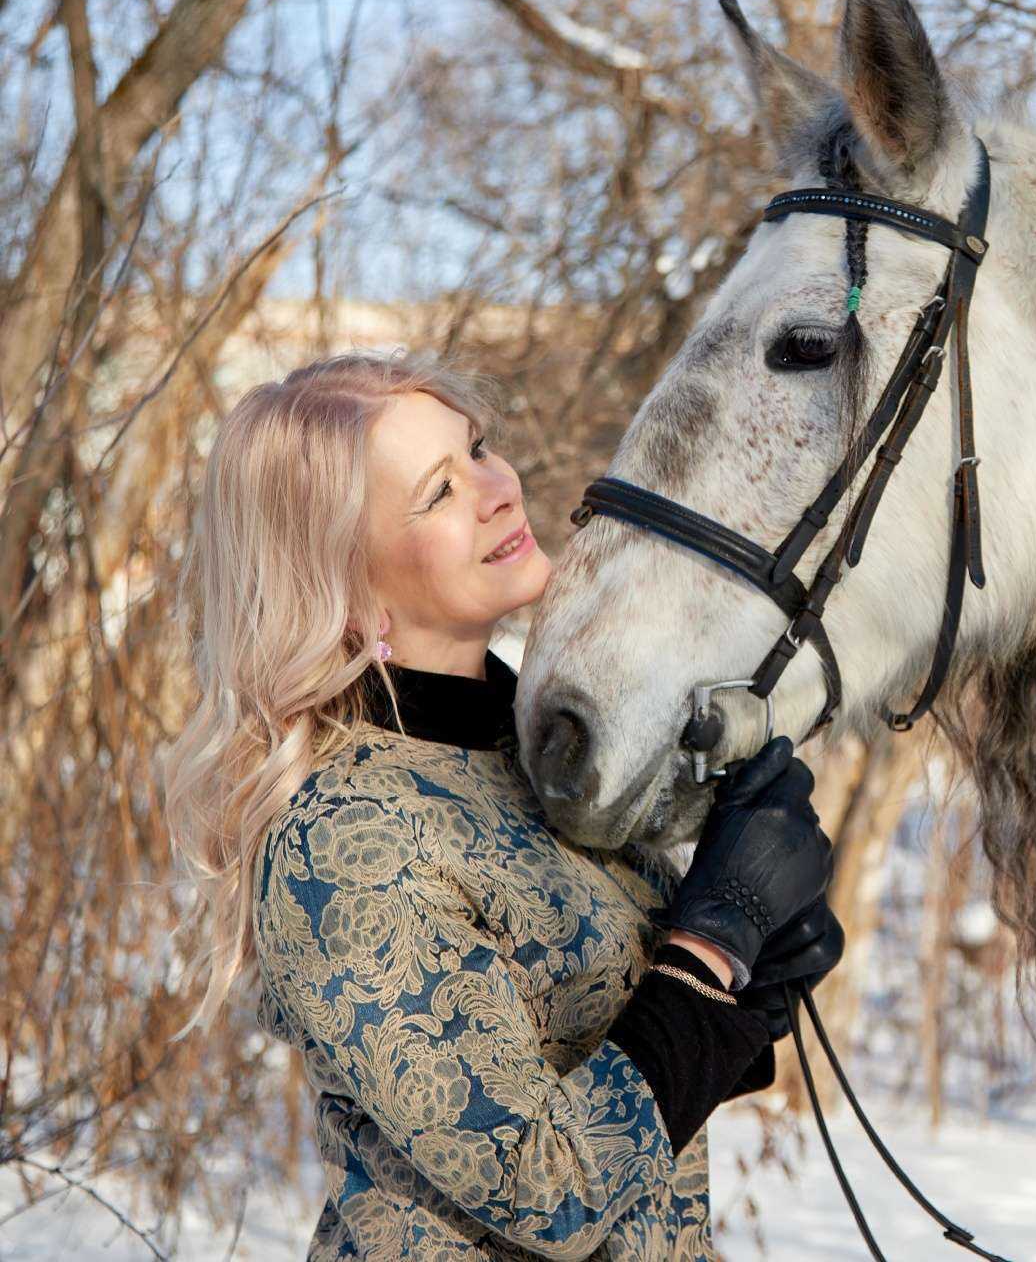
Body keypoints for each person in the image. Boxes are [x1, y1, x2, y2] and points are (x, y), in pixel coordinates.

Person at [161, 347, 845, 1260]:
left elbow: (623, 1059)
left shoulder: (532, 756)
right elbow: (545, 1185)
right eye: (438, 493)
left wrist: (755, 975)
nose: (497, 490)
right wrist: (712, 944)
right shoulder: (342, 840)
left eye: (478, 448)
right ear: (347, 593)